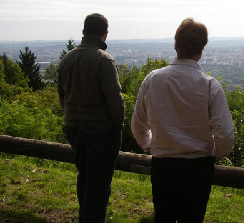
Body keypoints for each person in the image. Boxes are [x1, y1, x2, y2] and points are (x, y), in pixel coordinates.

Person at [131, 18, 234, 223]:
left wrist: (149, 143)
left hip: (163, 165)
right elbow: (225, 133)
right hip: (198, 168)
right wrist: (216, 153)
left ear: (176, 44)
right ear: (201, 49)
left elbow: (138, 124)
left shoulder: (153, 79)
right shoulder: (209, 85)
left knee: (164, 218)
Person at [58, 13, 125, 223]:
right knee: (99, 186)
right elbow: (115, 100)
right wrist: (118, 126)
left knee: (85, 177)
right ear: (105, 34)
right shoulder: (104, 60)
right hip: (102, 132)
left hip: (74, 128)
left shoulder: (67, 59)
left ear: (84, 32)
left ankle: (84, 215)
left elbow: (62, 95)